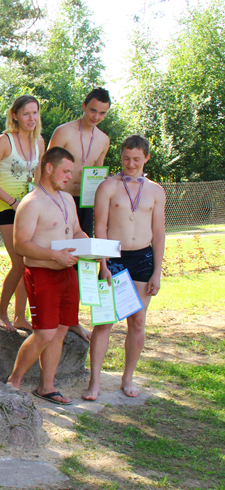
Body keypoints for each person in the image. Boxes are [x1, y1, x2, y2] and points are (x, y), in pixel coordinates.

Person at [83, 135, 166, 401]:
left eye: (136, 159)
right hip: (114, 258)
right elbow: (100, 227)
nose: (130, 164)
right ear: (121, 156)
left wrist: (157, 272)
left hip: (143, 258)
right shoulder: (108, 186)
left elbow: (159, 233)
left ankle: (127, 378)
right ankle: (95, 381)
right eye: (126, 158)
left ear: (147, 158)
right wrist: (103, 264)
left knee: (138, 321)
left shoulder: (156, 191)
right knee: (105, 321)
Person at [7, 147, 87, 405]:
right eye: (66, 171)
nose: (70, 177)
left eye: (71, 172)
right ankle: (13, 382)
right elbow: (21, 245)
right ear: (49, 167)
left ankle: (47, 387)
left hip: (67, 273)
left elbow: (76, 230)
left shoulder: (67, 199)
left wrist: (88, 243)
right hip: (42, 273)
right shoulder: (31, 203)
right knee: (44, 333)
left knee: (61, 330)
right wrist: (54, 256)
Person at [0, 95, 44, 332]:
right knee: (19, 262)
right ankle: (1, 312)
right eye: (26, 113)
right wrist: (13, 202)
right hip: (7, 207)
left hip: (30, 208)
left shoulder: (39, 141)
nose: (31, 118)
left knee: (28, 263)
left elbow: (39, 179)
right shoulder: (4, 140)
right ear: (15, 115)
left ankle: (19, 317)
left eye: (35, 113)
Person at [47, 88, 112, 237]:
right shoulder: (64, 131)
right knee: (59, 245)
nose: (96, 117)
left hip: (85, 203)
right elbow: (47, 166)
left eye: (102, 113)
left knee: (83, 247)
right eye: (93, 110)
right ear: (84, 106)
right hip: (60, 198)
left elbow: (98, 174)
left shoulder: (104, 140)